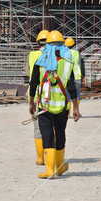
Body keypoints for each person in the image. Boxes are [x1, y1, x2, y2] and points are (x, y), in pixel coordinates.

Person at [29, 30, 80, 179]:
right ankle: (59, 166)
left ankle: (50, 170)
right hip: (62, 107)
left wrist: (31, 103)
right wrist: (76, 107)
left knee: (47, 136)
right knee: (60, 134)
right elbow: (71, 87)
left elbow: (33, 84)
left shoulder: (40, 62)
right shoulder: (67, 62)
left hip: (45, 106)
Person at [26, 29, 49, 165]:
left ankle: (40, 158)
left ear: (38, 42)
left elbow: (30, 76)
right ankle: (51, 155)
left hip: (35, 94)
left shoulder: (32, 55)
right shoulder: (53, 54)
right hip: (50, 94)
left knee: (37, 128)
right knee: (50, 126)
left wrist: (30, 101)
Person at [64, 37, 85, 116]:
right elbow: (82, 66)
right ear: (74, 45)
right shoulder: (77, 54)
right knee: (77, 95)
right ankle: (76, 112)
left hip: (66, 76)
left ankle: (68, 113)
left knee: (67, 95)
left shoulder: (64, 54)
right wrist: (83, 77)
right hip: (76, 77)